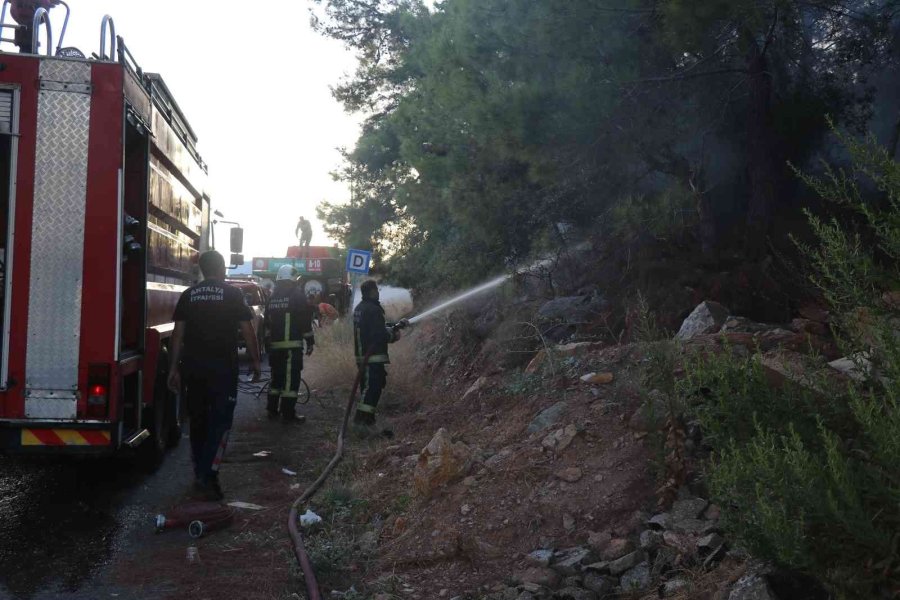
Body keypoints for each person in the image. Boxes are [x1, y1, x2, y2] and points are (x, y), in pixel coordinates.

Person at [167, 251, 261, 501]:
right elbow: (248, 330)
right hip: (222, 370)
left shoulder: (189, 295)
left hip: (193, 369)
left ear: (202, 269)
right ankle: (208, 476)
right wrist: (255, 360)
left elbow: (177, 334)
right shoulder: (232, 294)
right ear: (221, 268)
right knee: (220, 423)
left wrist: (173, 368)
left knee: (198, 422)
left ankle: (201, 472)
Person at [264, 265, 315, 423]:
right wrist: (310, 341)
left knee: (276, 379)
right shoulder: (297, 296)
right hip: (291, 347)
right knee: (290, 381)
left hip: (275, 348)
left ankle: (272, 410)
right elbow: (304, 322)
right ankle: (288, 414)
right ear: (293, 279)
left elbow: (266, 324)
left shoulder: (272, 298)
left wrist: (268, 346)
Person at [353, 280, 407, 426]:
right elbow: (378, 335)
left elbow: (373, 328)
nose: (378, 293)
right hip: (372, 357)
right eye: (376, 290)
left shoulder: (360, 308)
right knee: (373, 389)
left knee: (367, 388)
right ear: (371, 292)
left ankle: (367, 419)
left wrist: (393, 326)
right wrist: (392, 336)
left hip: (363, 356)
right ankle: (362, 420)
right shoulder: (374, 309)